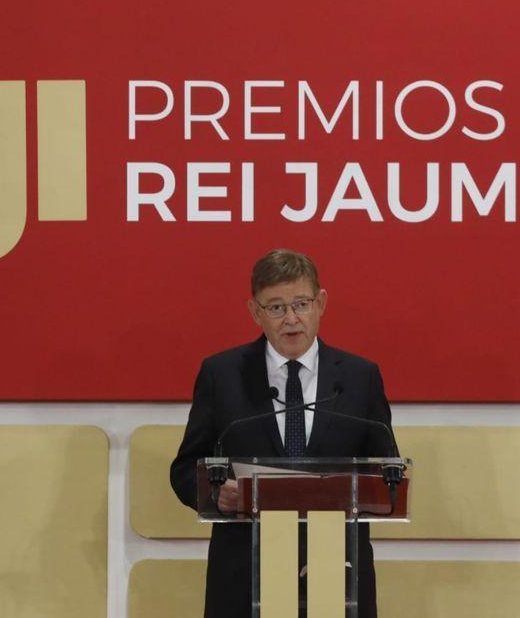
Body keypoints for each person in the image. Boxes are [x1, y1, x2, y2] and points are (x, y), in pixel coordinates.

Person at [170, 248, 397, 618]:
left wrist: (375, 485)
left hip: (335, 574)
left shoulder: (360, 378)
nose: (291, 319)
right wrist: (215, 491)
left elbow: (387, 472)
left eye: (301, 304)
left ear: (321, 303)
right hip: (245, 575)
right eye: (275, 308)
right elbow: (183, 468)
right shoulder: (221, 375)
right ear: (255, 312)